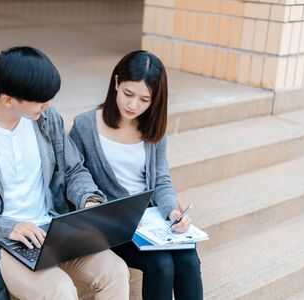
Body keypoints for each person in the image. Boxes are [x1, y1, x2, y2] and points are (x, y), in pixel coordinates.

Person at [0, 46, 130, 300]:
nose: (49, 105)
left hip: (53, 228)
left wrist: (89, 199)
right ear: (8, 99)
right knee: (59, 289)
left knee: (116, 271)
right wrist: (7, 227)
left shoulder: (47, 119)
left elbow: (73, 169)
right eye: (41, 100)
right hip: (1, 242)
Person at [69, 50, 203, 300]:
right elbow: (74, 176)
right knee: (161, 265)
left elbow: (161, 180)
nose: (133, 105)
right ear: (117, 82)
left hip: (151, 219)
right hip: (113, 223)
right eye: (128, 94)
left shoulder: (154, 129)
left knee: (187, 260)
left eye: (144, 99)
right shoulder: (85, 126)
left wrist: (173, 212)